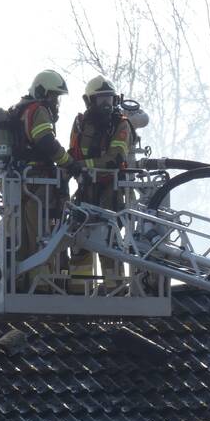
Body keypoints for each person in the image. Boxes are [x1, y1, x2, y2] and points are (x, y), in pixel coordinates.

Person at [8, 69, 83, 291]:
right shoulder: (38, 110)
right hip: (38, 182)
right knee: (42, 234)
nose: (56, 102)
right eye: (54, 96)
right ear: (43, 93)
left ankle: (22, 282)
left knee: (23, 235)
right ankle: (41, 284)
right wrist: (69, 162)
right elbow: (46, 142)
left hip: (20, 181)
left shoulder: (21, 110)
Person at [67, 75, 133, 292]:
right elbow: (71, 155)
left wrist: (81, 165)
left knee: (109, 241)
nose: (106, 105)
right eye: (101, 100)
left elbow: (115, 158)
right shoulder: (79, 124)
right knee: (78, 240)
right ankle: (78, 292)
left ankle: (115, 292)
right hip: (85, 190)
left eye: (109, 99)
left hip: (109, 192)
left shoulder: (121, 124)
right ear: (89, 101)